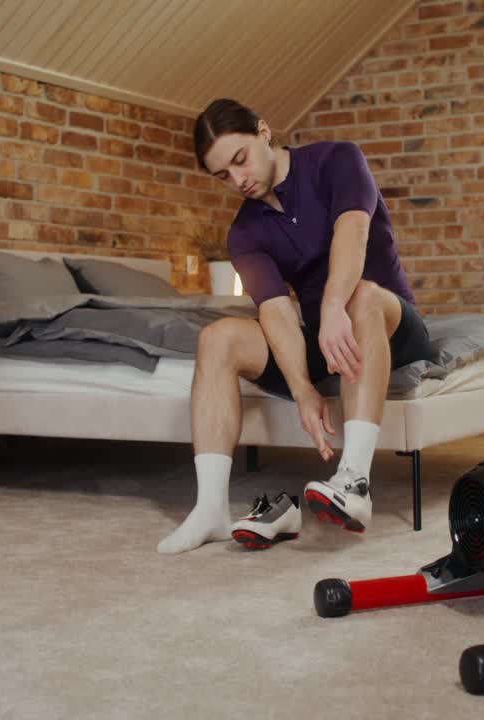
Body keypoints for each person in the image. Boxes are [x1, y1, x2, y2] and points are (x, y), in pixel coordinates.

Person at [156, 98, 431, 554]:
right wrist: (303, 388)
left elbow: (353, 233)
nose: (238, 179)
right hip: (324, 335)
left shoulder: (337, 160)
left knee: (361, 295)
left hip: (388, 321)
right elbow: (276, 309)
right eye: (223, 175)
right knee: (217, 337)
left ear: (264, 131)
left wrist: (332, 307)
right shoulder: (244, 232)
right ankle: (210, 510)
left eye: (240, 159)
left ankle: (355, 482)